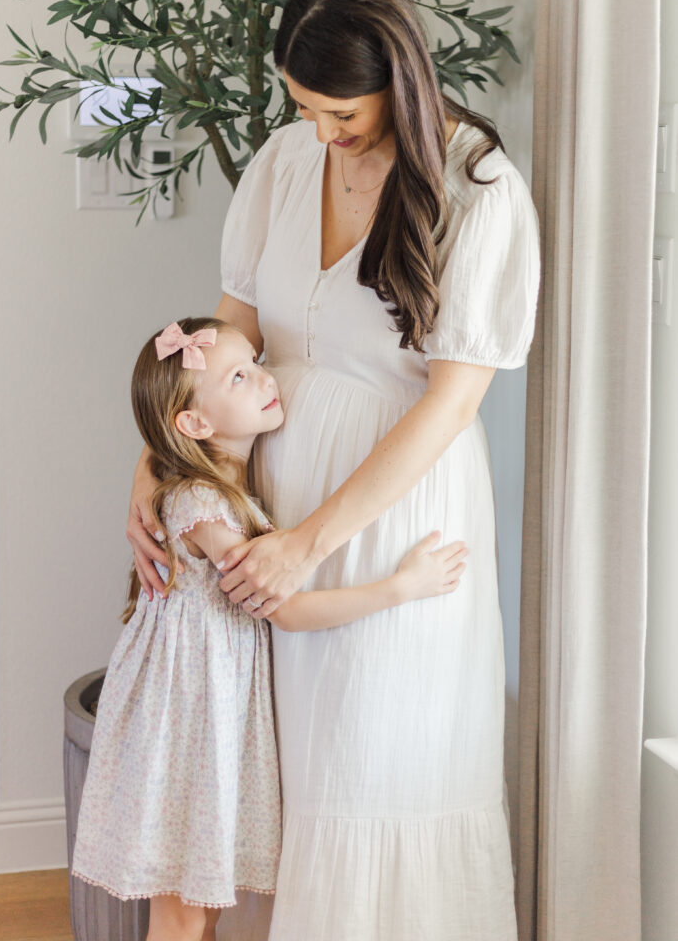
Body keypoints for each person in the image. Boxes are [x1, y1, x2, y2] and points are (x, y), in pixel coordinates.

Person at [129, 0, 540, 941]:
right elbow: (223, 336)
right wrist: (156, 468)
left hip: (386, 514)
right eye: (301, 105)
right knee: (288, 774)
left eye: (338, 111)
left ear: (397, 79)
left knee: (374, 764)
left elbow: (450, 403)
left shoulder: (477, 187)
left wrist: (308, 542)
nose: (319, 131)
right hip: (269, 504)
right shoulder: (281, 163)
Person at [74, 316, 468, 941]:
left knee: (193, 906)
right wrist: (399, 588)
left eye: (254, 362)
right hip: (186, 722)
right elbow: (284, 609)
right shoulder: (201, 507)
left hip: (207, 715)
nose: (264, 378)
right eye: (239, 376)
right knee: (180, 913)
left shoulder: (229, 494)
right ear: (196, 426)